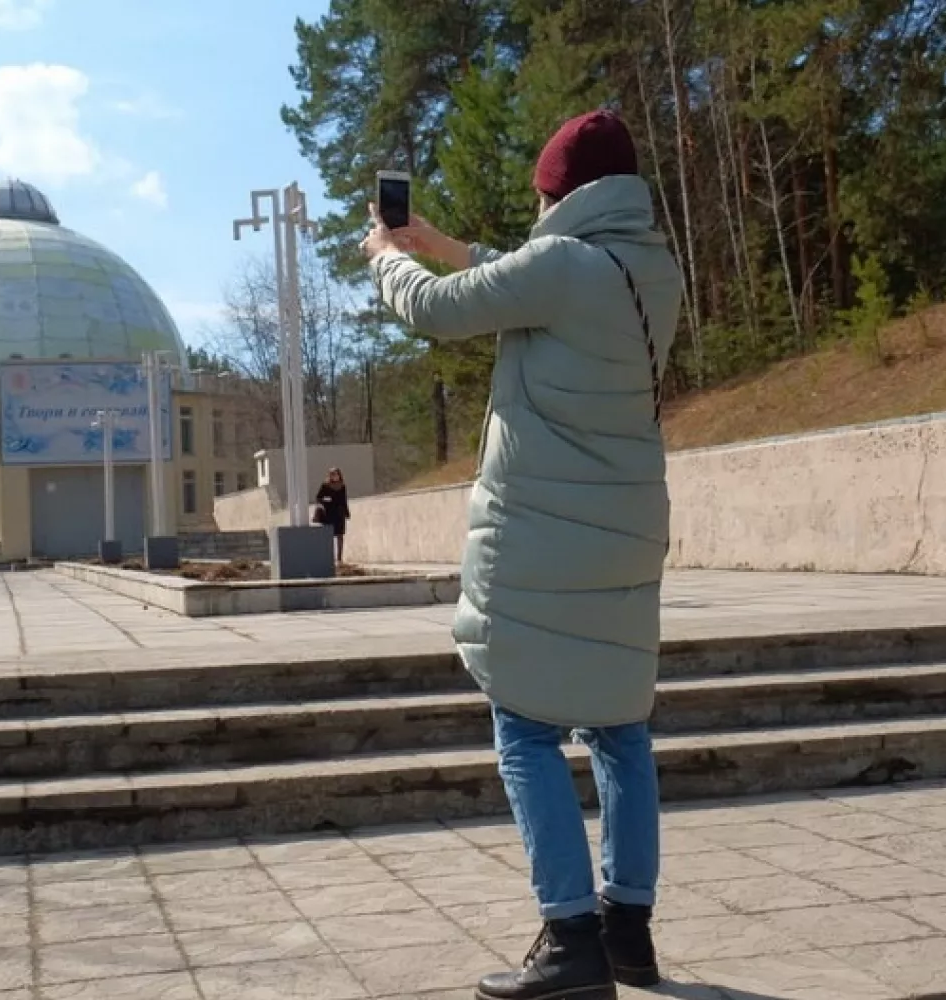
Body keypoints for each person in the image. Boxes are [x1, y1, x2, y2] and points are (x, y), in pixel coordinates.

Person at [361, 109, 682, 1000]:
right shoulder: (649, 270)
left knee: (524, 725)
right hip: (623, 533)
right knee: (621, 730)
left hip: (543, 535)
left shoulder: (558, 268)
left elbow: (437, 310)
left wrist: (390, 258)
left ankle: (569, 937)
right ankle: (628, 935)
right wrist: (435, 238)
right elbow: (523, 278)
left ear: (564, 196)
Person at [313, 467, 351, 562]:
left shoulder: (342, 486)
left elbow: (344, 500)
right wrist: (326, 500)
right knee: (328, 536)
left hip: (339, 513)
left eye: (336, 474)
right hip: (328, 513)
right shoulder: (325, 485)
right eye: (332, 474)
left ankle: (339, 558)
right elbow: (318, 497)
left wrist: (347, 512)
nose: (335, 476)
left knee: (340, 535)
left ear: (339, 475)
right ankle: (329, 557)